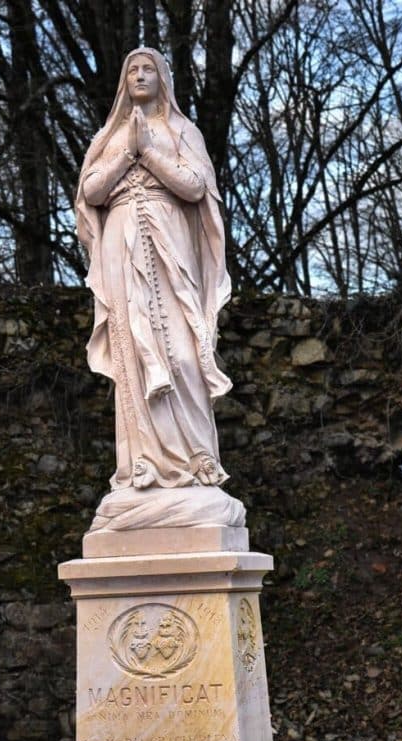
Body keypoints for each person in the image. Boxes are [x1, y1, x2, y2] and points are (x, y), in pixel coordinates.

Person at [76, 48, 239, 518]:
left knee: (184, 354)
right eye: (132, 70)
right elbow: (91, 192)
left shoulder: (183, 131)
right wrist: (129, 146)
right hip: (122, 251)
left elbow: (194, 187)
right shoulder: (109, 136)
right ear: (123, 83)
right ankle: (141, 466)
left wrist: (150, 149)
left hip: (171, 247)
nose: (140, 75)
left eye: (149, 69)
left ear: (163, 79)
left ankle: (197, 462)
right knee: (133, 357)